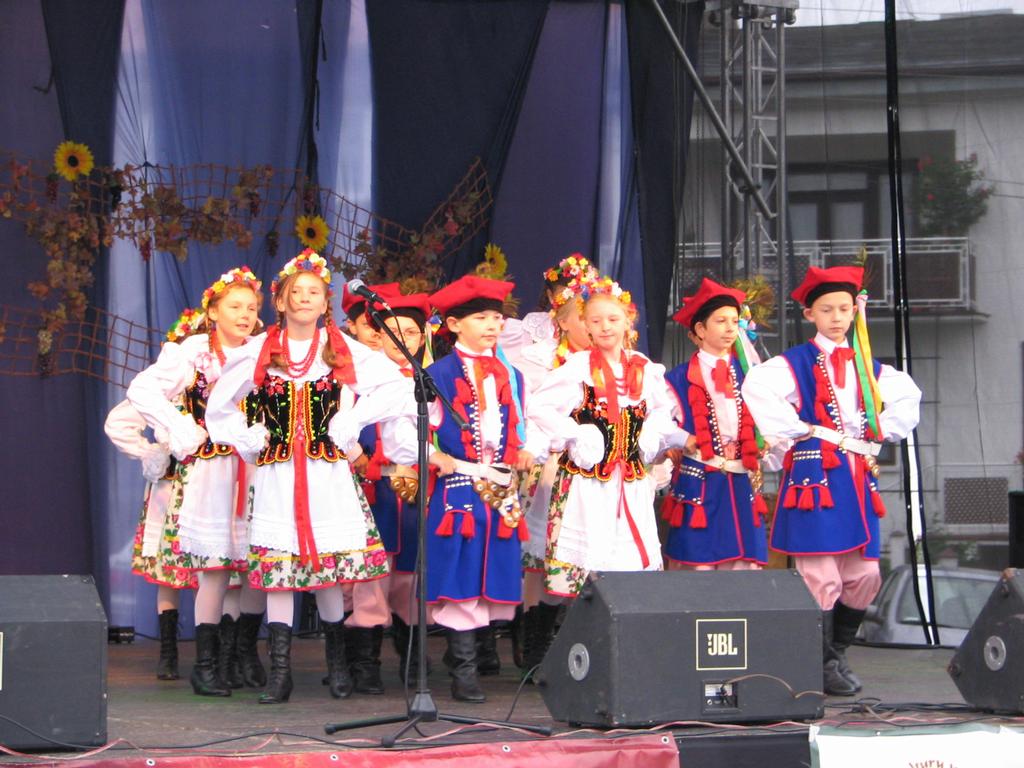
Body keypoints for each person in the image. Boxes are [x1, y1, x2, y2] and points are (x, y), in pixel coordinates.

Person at [205, 249, 412, 704]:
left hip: (327, 474)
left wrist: (354, 418)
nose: (304, 298)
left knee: (329, 570)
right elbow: (218, 406)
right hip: (278, 475)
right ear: (279, 301)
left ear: (324, 303)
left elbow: (398, 386)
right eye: (295, 291)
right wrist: (246, 434)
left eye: (313, 292)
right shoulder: (260, 350)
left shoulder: (340, 348)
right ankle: (280, 672)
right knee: (281, 569)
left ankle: (337, 666)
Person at [741, 265, 921, 696]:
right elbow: (756, 387)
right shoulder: (794, 363)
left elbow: (909, 397)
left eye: (843, 308)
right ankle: (820, 662)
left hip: (855, 476)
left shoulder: (867, 365)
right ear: (810, 314)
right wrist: (798, 428)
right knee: (821, 573)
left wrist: (879, 427)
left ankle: (835, 653)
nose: (836, 317)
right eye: (826, 310)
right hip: (815, 475)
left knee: (865, 574)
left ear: (855, 311)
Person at [127, 267, 267, 697]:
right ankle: (205, 666)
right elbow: (142, 390)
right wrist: (180, 429)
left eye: (251, 308)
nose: (244, 315)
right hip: (210, 472)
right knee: (216, 568)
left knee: (258, 566)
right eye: (235, 306)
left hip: (256, 471)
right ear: (213, 311)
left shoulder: (265, 351)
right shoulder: (192, 352)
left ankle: (239, 654)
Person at [527, 277, 676, 600]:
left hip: (631, 484)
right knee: (587, 566)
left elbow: (663, 410)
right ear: (586, 326)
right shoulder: (577, 368)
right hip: (587, 484)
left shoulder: (644, 368)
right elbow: (539, 407)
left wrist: (651, 434)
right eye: (596, 321)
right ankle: (568, 625)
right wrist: (575, 433)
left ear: (628, 321)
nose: (605, 327)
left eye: (612, 319)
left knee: (628, 565)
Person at [424, 274, 533, 703]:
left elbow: (523, 425)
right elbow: (410, 429)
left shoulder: (512, 374)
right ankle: (463, 671)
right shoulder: (437, 374)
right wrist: (432, 455)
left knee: (492, 573)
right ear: (454, 324)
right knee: (460, 573)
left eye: (496, 318)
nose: (492, 325)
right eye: (481, 317)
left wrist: (526, 449)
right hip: (460, 487)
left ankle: (472, 660)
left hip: (500, 488)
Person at [660, 278, 783, 571]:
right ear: (700, 330)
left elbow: (774, 418)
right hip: (699, 483)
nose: (730, 328)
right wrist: (681, 438)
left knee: (742, 568)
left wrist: (767, 441)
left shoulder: (753, 374)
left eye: (734, 321)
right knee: (698, 568)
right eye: (721, 321)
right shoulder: (676, 379)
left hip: (741, 482)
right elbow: (658, 423)